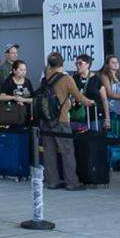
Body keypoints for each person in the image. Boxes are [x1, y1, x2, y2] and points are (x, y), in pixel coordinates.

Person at [39, 52, 94, 190]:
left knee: (49, 151)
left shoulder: (45, 79)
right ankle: (71, 182)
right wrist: (90, 102)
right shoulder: (67, 79)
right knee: (67, 150)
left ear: (49, 64)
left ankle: (52, 181)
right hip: (61, 119)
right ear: (62, 63)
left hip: (45, 119)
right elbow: (79, 97)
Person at [97, 55, 120, 123]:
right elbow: (109, 94)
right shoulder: (104, 76)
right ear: (107, 65)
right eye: (113, 62)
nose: (115, 64)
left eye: (117, 62)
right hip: (111, 109)